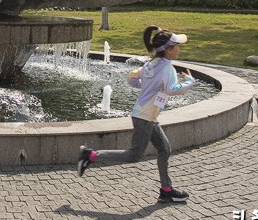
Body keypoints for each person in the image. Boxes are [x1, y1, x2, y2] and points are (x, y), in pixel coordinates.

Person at [76, 26, 195, 204]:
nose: (179, 49)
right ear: (169, 49)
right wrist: (189, 82)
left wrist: (149, 88)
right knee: (134, 155)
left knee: (164, 149)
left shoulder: (149, 64)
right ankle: (91, 156)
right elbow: (171, 89)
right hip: (145, 118)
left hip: (145, 115)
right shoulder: (167, 68)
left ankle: (166, 190)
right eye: (177, 46)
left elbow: (131, 78)